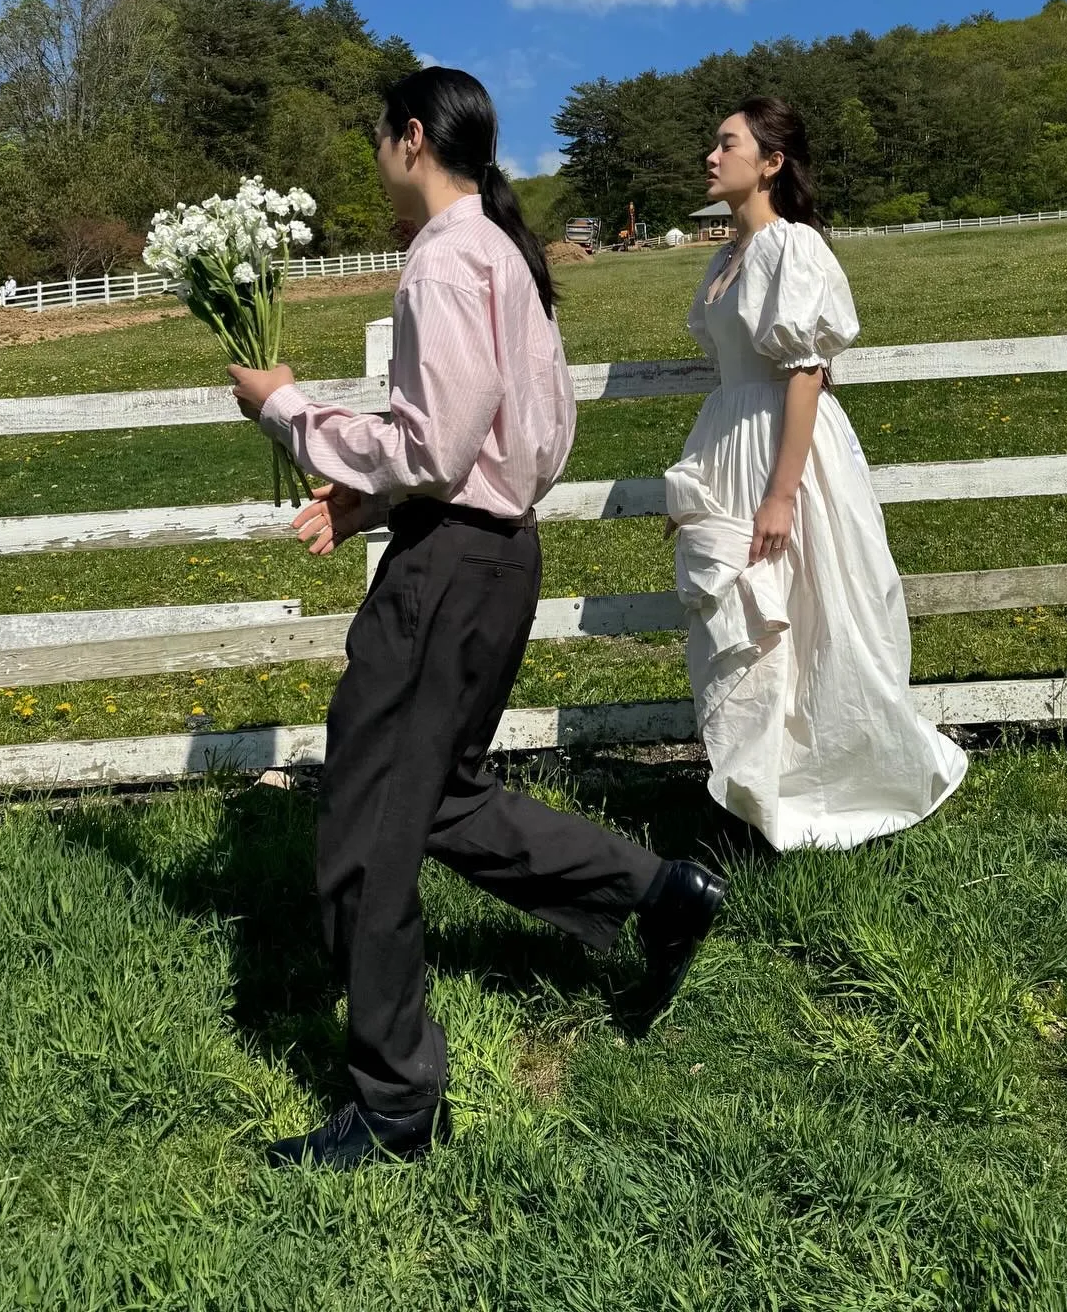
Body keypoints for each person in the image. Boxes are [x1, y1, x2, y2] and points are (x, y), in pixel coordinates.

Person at [227, 67, 725, 1171]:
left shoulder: (448, 262)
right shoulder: (506, 256)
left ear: (411, 138)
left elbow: (435, 446)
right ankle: (656, 894)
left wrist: (290, 411)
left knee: (363, 822)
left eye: (378, 140)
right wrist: (377, 498)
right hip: (497, 557)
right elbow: (512, 441)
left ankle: (399, 1105)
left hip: (448, 571)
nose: (375, 159)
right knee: (441, 795)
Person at [664, 96, 968, 851]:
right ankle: (762, 794)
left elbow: (805, 371)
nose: (711, 154)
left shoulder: (791, 247)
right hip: (733, 440)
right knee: (746, 622)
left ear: (770, 163)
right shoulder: (726, 255)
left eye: (726, 143)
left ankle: (836, 787)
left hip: (786, 448)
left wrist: (780, 492)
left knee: (815, 612)